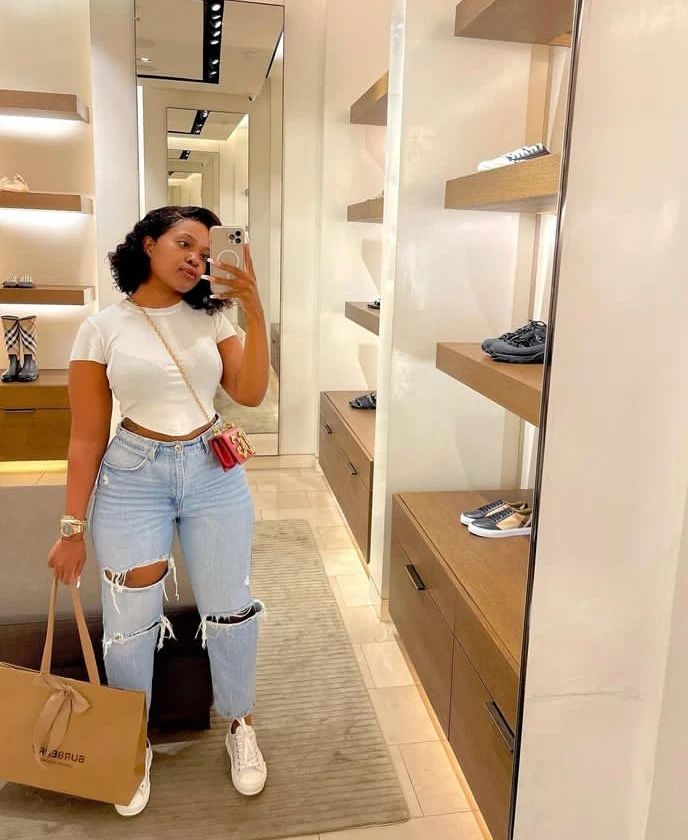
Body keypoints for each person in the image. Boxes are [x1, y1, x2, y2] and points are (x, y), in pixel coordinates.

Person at [47, 206, 269, 816]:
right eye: (183, 243)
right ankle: (131, 741)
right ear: (147, 244)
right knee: (130, 621)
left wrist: (253, 308)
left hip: (212, 470)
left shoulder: (214, 316)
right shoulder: (102, 328)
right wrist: (71, 528)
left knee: (231, 608)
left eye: (205, 251)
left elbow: (250, 392)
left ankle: (241, 723)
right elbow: (85, 437)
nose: (196, 258)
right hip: (132, 477)